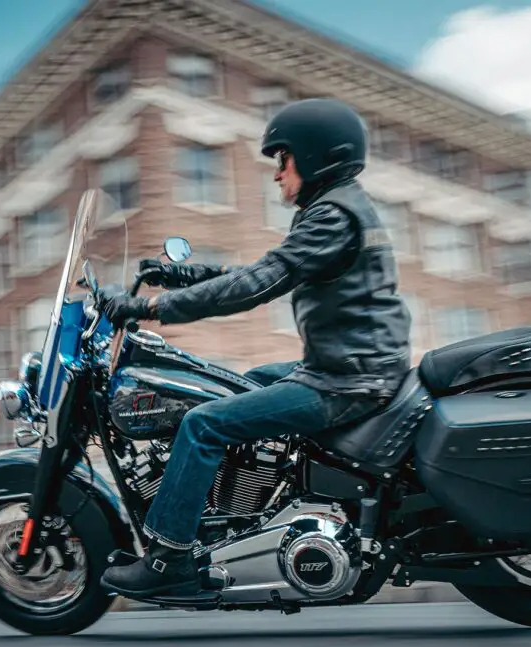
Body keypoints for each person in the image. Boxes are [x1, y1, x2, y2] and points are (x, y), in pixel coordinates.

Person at [97, 97, 412, 599]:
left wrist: (151, 308)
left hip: (346, 380)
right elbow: (263, 269)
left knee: (204, 423)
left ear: (315, 156)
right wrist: (185, 275)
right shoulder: (338, 207)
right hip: (345, 367)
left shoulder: (332, 215)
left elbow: (260, 282)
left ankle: (168, 558)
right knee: (235, 385)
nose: (276, 173)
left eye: (283, 159)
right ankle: (243, 514)